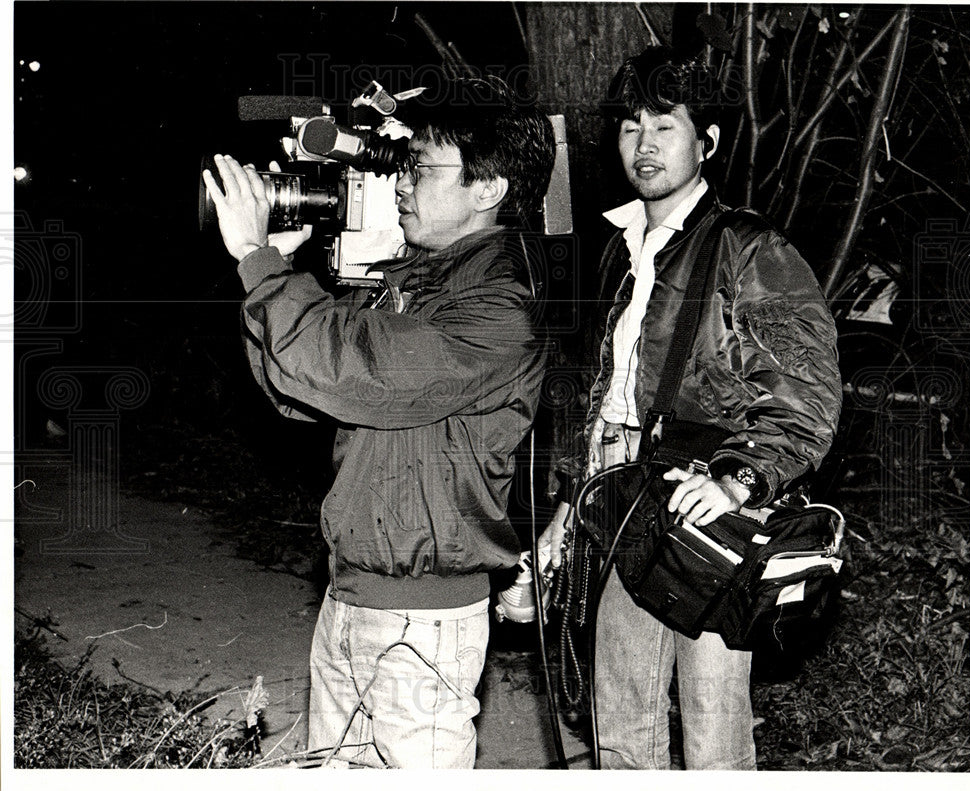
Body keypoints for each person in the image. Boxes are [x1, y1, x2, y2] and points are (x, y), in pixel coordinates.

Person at [202, 76, 555, 768]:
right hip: (351, 594)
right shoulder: (416, 283)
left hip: (421, 618)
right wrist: (283, 266)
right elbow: (300, 388)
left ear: (490, 188)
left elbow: (353, 369)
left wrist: (258, 260)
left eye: (421, 168)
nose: (401, 185)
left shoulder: (496, 307)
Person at [540, 46, 842, 770]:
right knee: (621, 727)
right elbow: (603, 398)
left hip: (707, 522)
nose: (643, 146)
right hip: (621, 509)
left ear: (707, 142)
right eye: (629, 127)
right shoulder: (618, 249)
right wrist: (566, 509)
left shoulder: (748, 249)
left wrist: (739, 478)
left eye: (664, 127)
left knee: (712, 737)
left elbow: (808, 389)